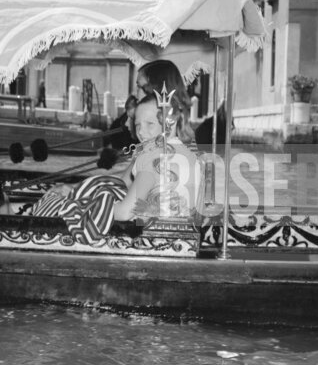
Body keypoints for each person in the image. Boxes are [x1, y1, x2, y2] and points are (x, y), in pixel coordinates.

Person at [32, 61, 200, 244]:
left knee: (59, 206)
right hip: (176, 238)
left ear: (157, 92)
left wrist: (86, 204)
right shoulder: (177, 146)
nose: (135, 94)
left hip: (151, 239)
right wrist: (75, 190)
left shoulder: (156, 152)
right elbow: (125, 180)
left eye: (141, 88)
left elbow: (126, 203)